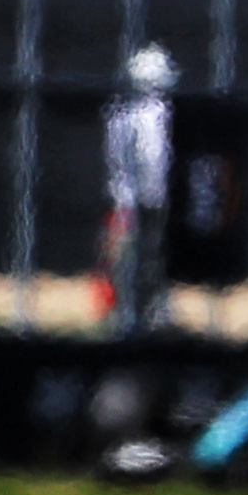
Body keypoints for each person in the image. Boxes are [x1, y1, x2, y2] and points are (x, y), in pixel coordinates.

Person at [102, 48, 175, 331]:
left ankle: (156, 310)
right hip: (135, 202)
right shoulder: (126, 114)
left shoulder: (161, 114)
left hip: (154, 201)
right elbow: (120, 161)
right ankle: (128, 311)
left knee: (158, 258)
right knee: (130, 258)